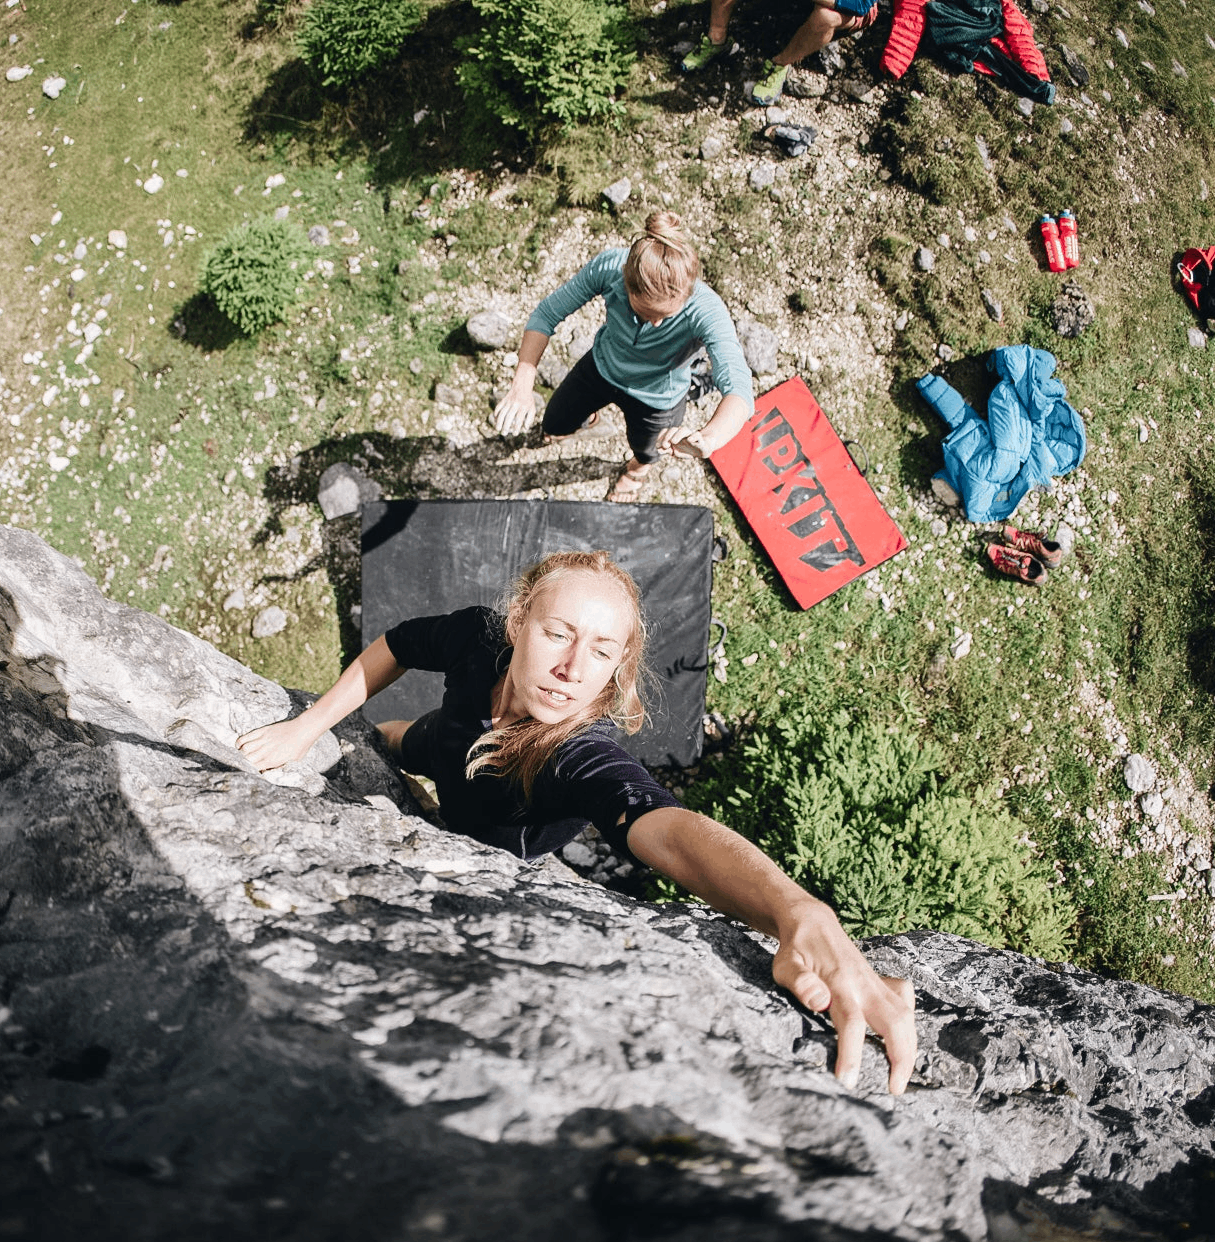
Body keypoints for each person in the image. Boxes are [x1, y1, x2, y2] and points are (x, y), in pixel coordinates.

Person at [238, 551, 917, 1094]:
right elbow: (397, 644)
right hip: (442, 741)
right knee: (391, 739)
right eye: (557, 633)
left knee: (426, 772)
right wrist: (310, 726)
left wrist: (797, 911)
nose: (569, 669)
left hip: (489, 840)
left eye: (599, 651)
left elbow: (671, 829)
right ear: (516, 623)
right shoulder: (478, 640)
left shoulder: (576, 756)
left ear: (616, 664)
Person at [492, 213, 754, 502]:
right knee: (554, 425)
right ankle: (588, 417)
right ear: (627, 284)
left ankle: (636, 471)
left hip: (658, 398)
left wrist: (709, 438)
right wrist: (522, 384)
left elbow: (739, 388)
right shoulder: (610, 267)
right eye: (646, 313)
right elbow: (546, 315)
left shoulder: (706, 310)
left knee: (647, 451)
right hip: (602, 368)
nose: (655, 324)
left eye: (665, 315)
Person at [680, 0, 879, 105]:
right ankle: (717, 37)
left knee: (826, 18)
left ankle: (781, 63)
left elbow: (859, 5)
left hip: (850, 6)